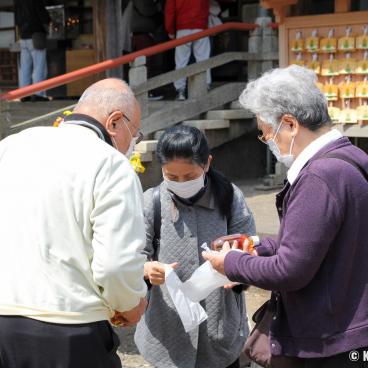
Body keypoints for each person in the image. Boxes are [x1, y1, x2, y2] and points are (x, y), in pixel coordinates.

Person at [203, 65, 368, 367]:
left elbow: (290, 270)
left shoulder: (319, 176)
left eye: (267, 133)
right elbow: (314, 241)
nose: (268, 142)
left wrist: (231, 263)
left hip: (332, 339)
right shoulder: (351, 157)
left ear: (290, 124)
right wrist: (255, 247)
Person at [0, 78, 147, 368]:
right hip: (68, 326)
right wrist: (131, 303)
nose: (133, 143)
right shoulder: (111, 164)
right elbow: (116, 265)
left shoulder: (11, 146)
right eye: (136, 134)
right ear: (115, 121)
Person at [134, 125, 256, 368]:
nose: (181, 182)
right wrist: (147, 269)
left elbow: (249, 248)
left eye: (189, 176)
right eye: (171, 177)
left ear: (207, 164)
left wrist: (239, 270)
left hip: (220, 329)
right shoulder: (151, 202)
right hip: (168, 331)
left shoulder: (231, 198)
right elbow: (134, 255)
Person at [165, 0, 211, 101]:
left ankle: (180, 91)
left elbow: (170, 10)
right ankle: (205, 85)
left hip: (183, 28)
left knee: (181, 61)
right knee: (203, 59)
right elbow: (207, 6)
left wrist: (170, 30)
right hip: (200, 26)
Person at [14, 0, 51, 101]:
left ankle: (24, 94)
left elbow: (17, 20)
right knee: (39, 66)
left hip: (23, 36)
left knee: (25, 67)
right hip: (36, 35)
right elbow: (44, 17)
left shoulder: (18, 2)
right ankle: (39, 93)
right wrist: (48, 23)